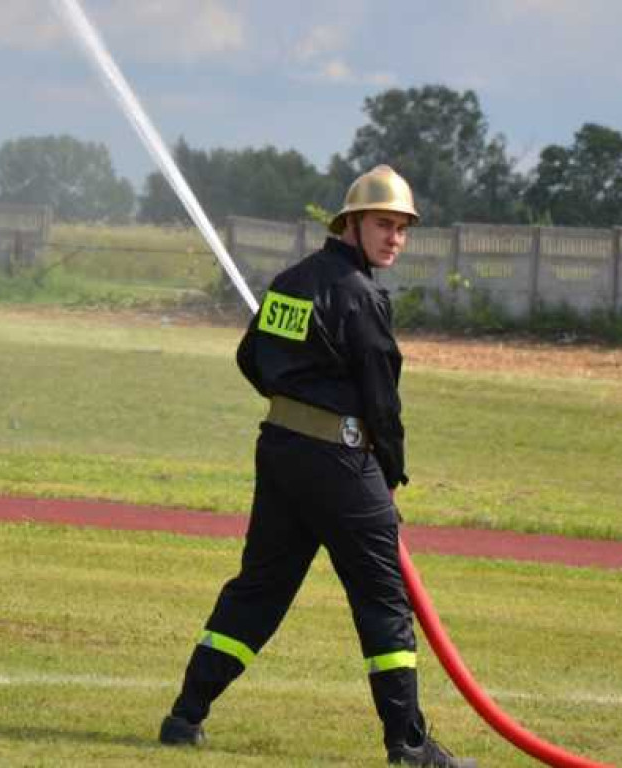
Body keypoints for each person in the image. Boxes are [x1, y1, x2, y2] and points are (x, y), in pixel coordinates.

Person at [157, 165, 478, 767]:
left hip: (280, 451)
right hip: (340, 462)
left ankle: (185, 715)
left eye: (403, 229)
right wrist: (388, 471)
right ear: (352, 224)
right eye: (385, 225)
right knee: (383, 601)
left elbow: (251, 358)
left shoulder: (290, 281)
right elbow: (383, 398)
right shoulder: (362, 296)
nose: (395, 239)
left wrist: (296, 403)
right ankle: (408, 745)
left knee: (260, 588)